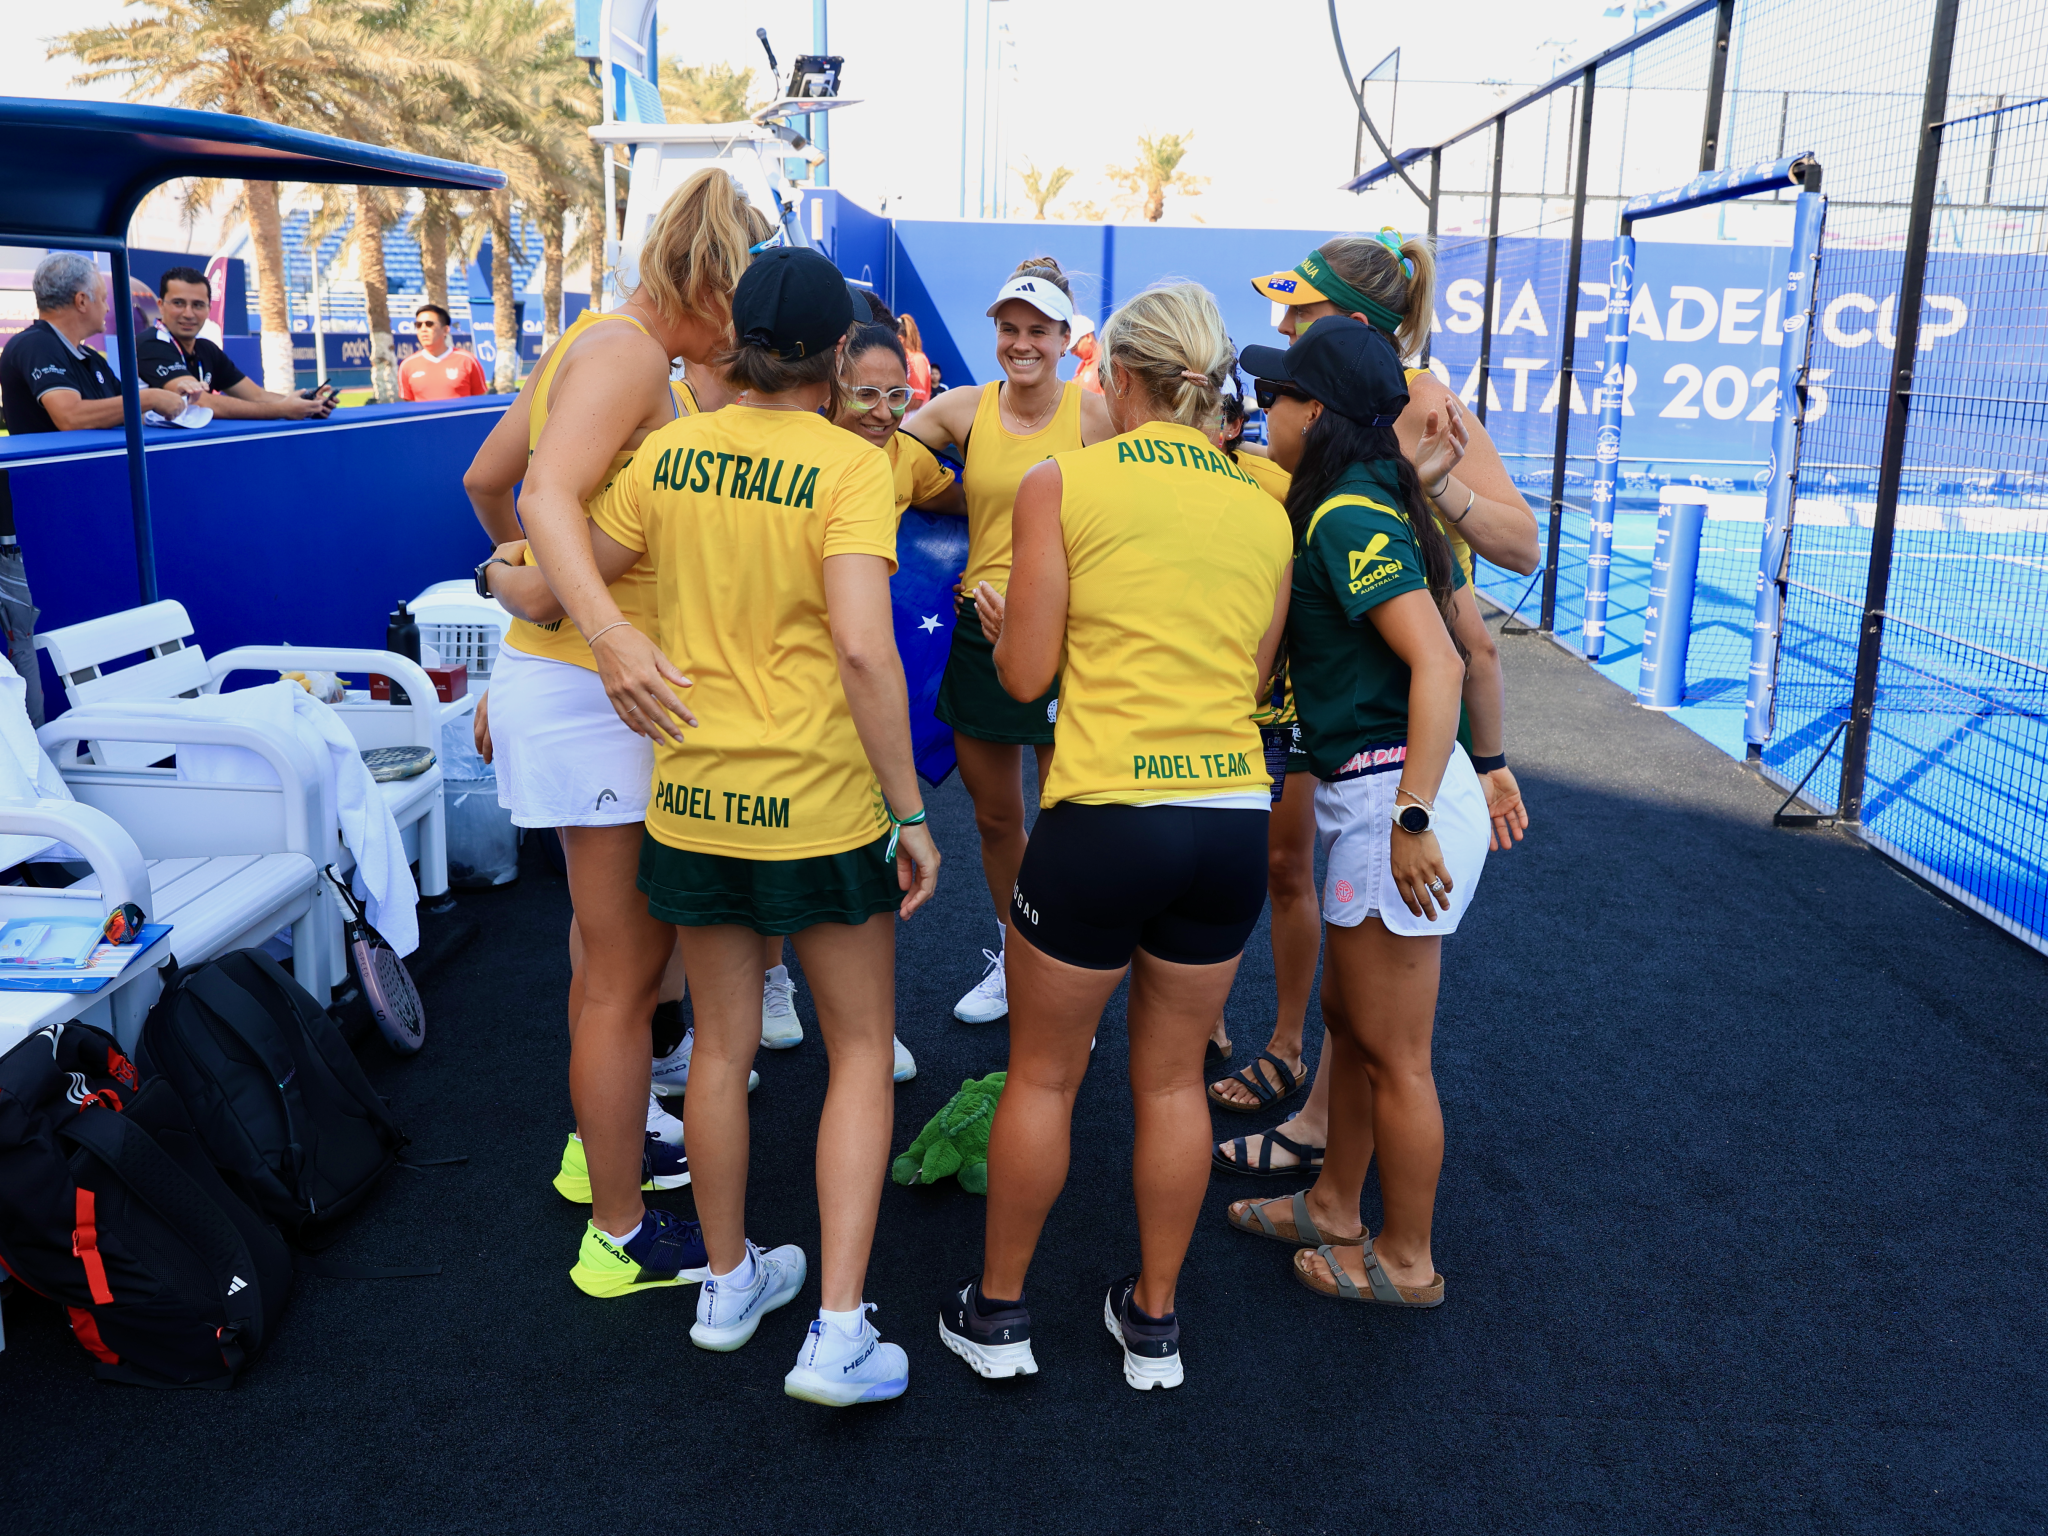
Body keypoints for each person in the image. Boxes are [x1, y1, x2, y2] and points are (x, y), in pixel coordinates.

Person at [582, 246, 941, 1405]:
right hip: (820, 804)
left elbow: (577, 571)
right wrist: (909, 810)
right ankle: (837, 1334)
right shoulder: (849, 465)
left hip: (692, 799)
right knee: (858, 1054)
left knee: (721, 1054)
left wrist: (506, 572)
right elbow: (863, 649)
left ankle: (727, 1281)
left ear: (737, 339)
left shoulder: (668, 452)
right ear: (838, 353)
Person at [937, 282, 1290, 1391]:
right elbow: (1252, 680)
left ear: (1117, 377)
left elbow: (1025, 679)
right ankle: (1154, 1324)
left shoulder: (1062, 481)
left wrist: (1012, 626)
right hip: (1228, 818)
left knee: (1043, 1080)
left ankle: (999, 1315)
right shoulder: (1263, 507)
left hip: (1103, 816)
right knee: (1173, 1083)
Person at [461, 167, 769, 1292]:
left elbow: (487, 479)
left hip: (575, 688)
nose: (746, 332)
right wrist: (587, 625)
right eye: (743, 299)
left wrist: (525, 605)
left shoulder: (597, 342)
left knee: (607, 962)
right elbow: (538, 496)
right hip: (599, 697)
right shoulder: (633, 354)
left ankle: (606, 1150)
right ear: (711, 279)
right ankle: (622, 1235)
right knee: (622, 979)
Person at [1211, 231, 1533, 1172]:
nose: (1283, 327)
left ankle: (1371, 1214)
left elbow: (1467, 629)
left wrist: (1431, 800)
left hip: (1389, 751)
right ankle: (1330, 1178)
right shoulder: (1347, 487)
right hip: (1360, 725)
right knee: (1351, 997)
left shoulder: (1396, 442)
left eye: (1301, 314)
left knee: (1390, 1045)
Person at [1224, 318, 1489, 1309]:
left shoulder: (1345, 513)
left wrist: (1411, 817)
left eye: (1279, 397)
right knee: (1349, 1021)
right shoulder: (1365, 496)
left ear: (1318, 413)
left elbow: (1441, 663)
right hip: (1367, 791)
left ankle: (1406, 1259)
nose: (1265, 412)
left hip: (1390, 797)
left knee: (1393, 1054)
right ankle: (1335, 1204)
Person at [899, 257, 1114, 1024]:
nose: (1022, 344)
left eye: (1038, 331)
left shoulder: (1097, 417)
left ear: (1064, 338)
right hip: (976, 634)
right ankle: (1015, 956)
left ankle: (1067, 973)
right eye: (1010, 329)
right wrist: (946, 493)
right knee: (996, 820)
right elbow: (876, 446)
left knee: (1069, 821)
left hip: (1072, 638)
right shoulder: (964, 409)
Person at [0, 253, 200, 726]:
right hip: (31, 532)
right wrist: (148, 398)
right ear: (81, 300)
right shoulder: (33, 345)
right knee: (31, 641)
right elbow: (69, 416)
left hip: (83, 523)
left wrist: (159, 403)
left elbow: (123, 413)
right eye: (104, 299)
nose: (109, 309)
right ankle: (39, 748)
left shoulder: (89, 358)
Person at [136, 266, 334, 421]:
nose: (188, 313)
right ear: (161, 306)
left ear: (208, 309)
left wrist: (306, 404)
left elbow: (256, 395)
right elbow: (200, 403)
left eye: (197, 305)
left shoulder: (206, 348)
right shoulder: (150, 343)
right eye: (178, 303)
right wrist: (282, 409)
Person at [400, 305, 489, 401]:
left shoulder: (467, 360)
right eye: (418, 325)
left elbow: (480, 399)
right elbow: (408, 404)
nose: (423, 329)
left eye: (429, 324)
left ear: (445, 330)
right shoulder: (407, 365)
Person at [897, 312, 934, 408]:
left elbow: (916, 400)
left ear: (900, 339)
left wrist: (891, 407)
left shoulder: (916, 359)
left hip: (913, 417)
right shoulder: (905, 358)